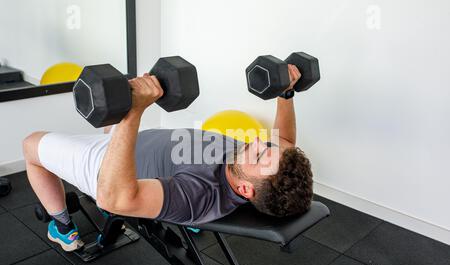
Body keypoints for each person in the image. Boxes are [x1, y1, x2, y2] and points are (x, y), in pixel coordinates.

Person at [22, 65, 313, 252]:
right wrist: (286, 93)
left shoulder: (198, 194)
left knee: (31, 145)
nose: (258, 142)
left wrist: (134, 113)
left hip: (103, 167)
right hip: (135, 141)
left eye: (260, 153)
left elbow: (112, 198)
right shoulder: (247, 166)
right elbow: (285, 142)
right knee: (110, 113)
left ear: (246, 190)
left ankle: (62, 228)